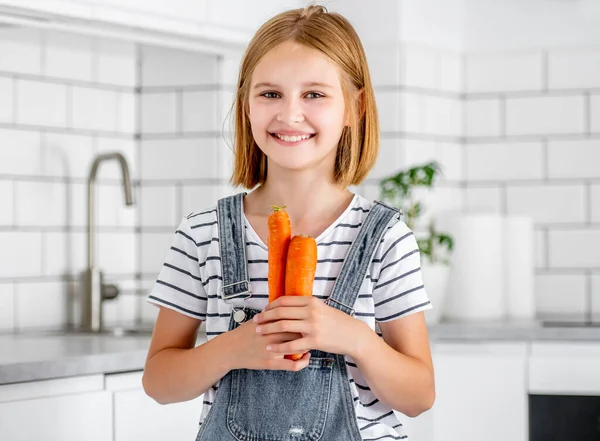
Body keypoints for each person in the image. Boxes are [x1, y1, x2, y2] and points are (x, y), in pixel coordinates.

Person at [142, 4, 435, 440]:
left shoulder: (384, 238)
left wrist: (355, 338)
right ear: (245, 105)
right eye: (270, 93)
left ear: (354, 107)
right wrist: (230, 349)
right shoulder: (203, 234)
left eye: (314, 94)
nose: (290, 113)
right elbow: (159, 382)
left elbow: (419, 396)